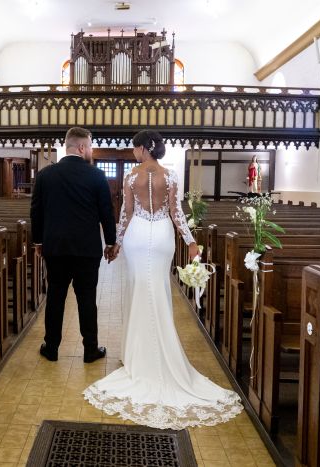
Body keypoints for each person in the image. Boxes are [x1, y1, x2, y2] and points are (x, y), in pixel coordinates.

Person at [83, 130, 243, 429]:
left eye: (134, 148)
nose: (133, 153)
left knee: (136, 290)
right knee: (157, 289)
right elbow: (176, 212)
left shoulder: (132, 177)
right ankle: (156, 350)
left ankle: (135, 355)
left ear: (144, 148)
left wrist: (116, 243)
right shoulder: (169, 176)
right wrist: (191, 241)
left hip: (138, 235)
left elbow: (126, 215)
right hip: (163, 239)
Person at [30, 127, 117, 363]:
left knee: (55, 297)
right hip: (87, 250)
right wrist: (111, 242)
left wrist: (38, 241)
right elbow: (106, 213)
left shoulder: (45, 175)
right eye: (89, 146)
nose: (90, 150)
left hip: (55, 248)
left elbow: (36, 212)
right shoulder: (96, 176)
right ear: (81, 147)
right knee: (87, 299)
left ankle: (51, 348)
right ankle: (90, 349)